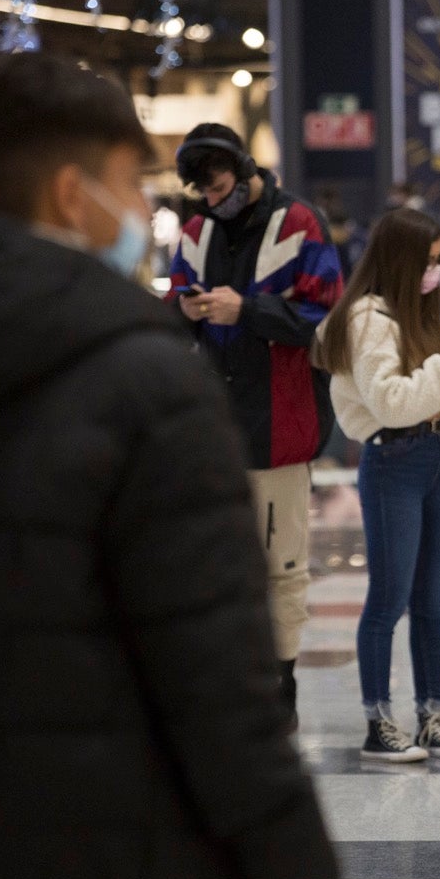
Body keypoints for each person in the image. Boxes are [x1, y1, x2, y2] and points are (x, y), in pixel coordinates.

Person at [0, 54, 335, 879]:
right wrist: (288, 854)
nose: (148, 213)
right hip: (116, 875)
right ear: (75, 194)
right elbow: (204, 644)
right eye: (130, 182)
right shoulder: (147, 379)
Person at [168, 124, 343, 732]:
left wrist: (247, 310)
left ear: (241, 169)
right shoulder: (195, 232)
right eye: (202, 195)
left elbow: (323, 315)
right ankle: (231, 683)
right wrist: (185, 310)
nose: (212, 202)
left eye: (217, 188)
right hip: (213, 431)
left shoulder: (299, 223)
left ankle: (284, 684)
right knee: (216, 567)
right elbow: (174, 316)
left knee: (283, 568)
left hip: (281, 426)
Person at [316, 209, 440, 762]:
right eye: (429, 260)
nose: (435, 271)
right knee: (388, 598)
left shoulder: (416, 313)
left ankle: (429, 715)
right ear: (400, 259)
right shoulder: (368, 319)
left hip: (436, 455)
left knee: (430, 600)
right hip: (393, 460)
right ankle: (377, 722)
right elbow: (393, 404)